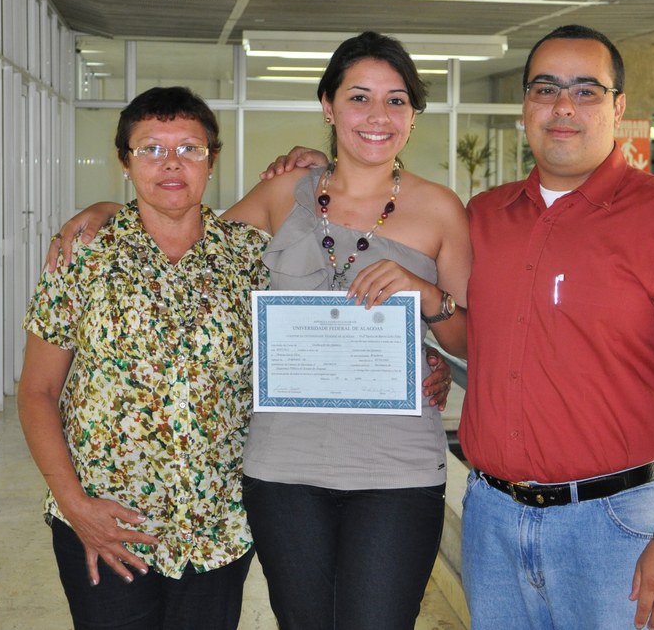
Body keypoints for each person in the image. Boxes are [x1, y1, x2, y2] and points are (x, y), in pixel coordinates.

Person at [264, 23, 654, 630]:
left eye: (586, 91)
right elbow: (470, 329)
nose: (563, 108)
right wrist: (424, 337)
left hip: (613, 527)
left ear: (618, 106)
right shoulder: (487, 216)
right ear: (526, 104)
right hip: (493, 519)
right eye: (546, 88)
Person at [49, 31, 471, 629]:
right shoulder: (283, 194)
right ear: (328, 105)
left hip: (394, 468)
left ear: (412, 114)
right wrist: (108, 212)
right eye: (359, 97)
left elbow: (469, 343)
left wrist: (428, 301)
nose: (378, 116)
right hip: (283, 468)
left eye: (396, 100)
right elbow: (194, 234)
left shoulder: (442, 209)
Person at [19, 86, 269, 629]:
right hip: (105, 522)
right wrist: (77, 508)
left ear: (213, 160)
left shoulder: (251, 259)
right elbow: (37, 391)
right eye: (151, 148)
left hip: (217, 525)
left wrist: (416, 362)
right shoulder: (83, 253)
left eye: (189, 148)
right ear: (125, 163)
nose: (171, 163)